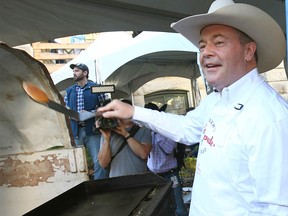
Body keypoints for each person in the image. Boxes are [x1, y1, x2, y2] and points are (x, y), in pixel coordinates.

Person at [97, 0, 288, 215]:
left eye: (219, 42)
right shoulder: (217, 99)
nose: (206, 52)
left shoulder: (270, 116)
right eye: (202, 45)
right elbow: (186, 127)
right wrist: (133, 112)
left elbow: (277, 207)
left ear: (248, 51)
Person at [64, 63, 107, 180]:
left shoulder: (97, 87)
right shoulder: (69, 91)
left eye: (77, 71)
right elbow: (66, 109)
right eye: (73, 71)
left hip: (93, 129)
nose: (74, 73)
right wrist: (70, 114)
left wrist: (90, 113)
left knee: (98, 159)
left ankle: (100, 184)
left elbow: (106, 107)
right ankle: (80, 184)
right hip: (76, 130)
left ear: (85, 73)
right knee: (77, 161)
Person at [145, 102, 189, 216]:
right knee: (160, 207)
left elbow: (169, 149)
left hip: (170, 174)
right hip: (154, 176)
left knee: (178, 207)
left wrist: (156, 132)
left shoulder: (166, 130)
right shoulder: (145, 132)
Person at [97, 99, 152, 178]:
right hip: (117, 183)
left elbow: (143, 154)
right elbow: (103, 163)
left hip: (139, 182)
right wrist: (106, 140)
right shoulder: (108, 132)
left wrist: (126, 134)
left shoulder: (143, 130)